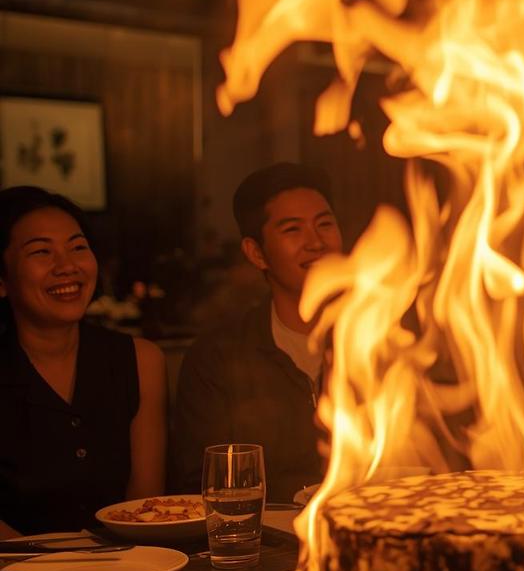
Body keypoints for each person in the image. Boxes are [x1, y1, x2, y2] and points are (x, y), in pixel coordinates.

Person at [0, 186, 166, 536]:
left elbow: (146, 508)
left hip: (131, 562)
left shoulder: (140, 361)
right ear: (3, 280)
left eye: (78, 247)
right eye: (41, 251)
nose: (67, 266)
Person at [170, 163, 342, 502]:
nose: (316, 242)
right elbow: (203, 484)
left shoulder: (381, 340)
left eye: (324, 224)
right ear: (256, 253)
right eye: (293, 229)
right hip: (264, 531)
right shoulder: (218, 357)